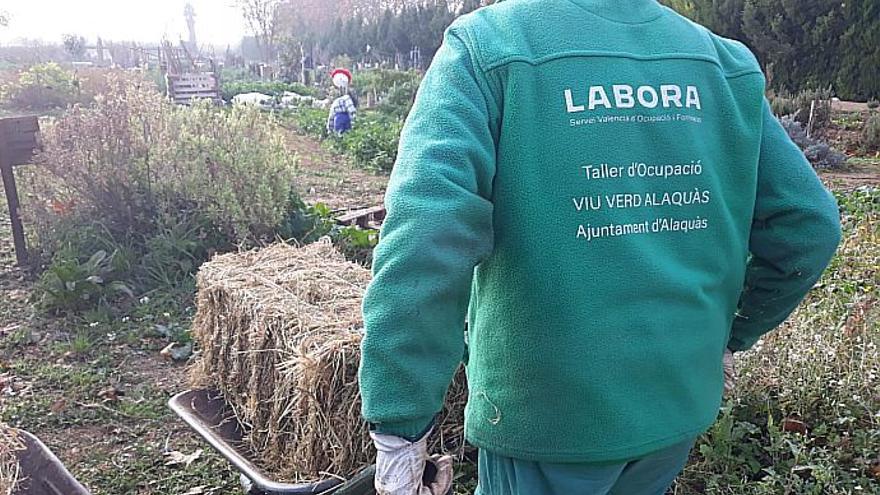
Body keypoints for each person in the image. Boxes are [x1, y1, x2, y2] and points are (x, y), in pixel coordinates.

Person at [358, 0, 842, 494]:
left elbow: (428, 230)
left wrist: (400, 423)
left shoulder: (493, 45)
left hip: (548, 421)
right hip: (673, 409)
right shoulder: (722, 61)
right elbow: (810, 225)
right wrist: (730, 334)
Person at [327, 68, 358, 135]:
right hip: (345, 121)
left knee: (339, 136)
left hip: (337, 121)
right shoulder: (347, 98)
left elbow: (331, 116)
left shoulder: (336, 102)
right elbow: (352, 111)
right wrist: (355, 124)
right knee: (346, 137)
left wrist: (330, 129)